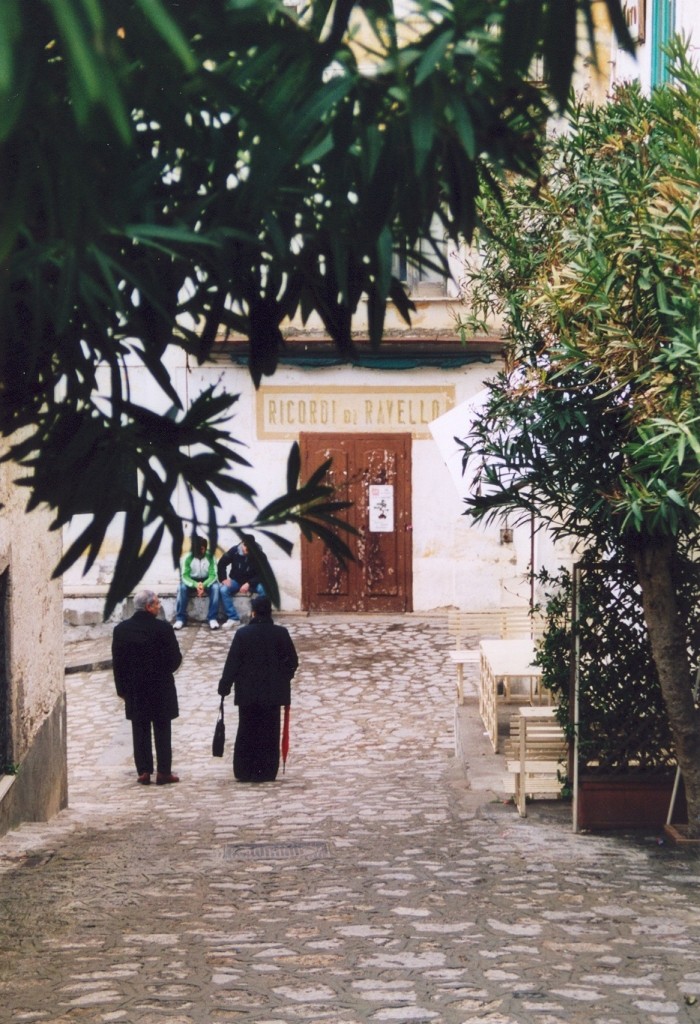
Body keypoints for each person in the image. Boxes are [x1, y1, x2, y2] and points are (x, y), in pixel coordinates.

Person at [217, 594, 299, 782]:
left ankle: (245, 770)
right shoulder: (281, 633)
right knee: (270, 732)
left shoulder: (243, 634)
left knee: (247, 730)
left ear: (253, 612)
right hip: (273, 693)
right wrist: (284, 678)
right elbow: (292, 662)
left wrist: (225, 686)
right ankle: (268, 770)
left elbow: (233, 663)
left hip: (248, 694)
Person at [112, 590, 182, 786]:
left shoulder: (122, 630)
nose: (159, 607)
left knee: (139, 728)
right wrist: (163, 671)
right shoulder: (163, 629)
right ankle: (163, 771)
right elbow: (175, 659)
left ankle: (144, 771)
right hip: (160, 686)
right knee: (162, 728)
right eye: (157, 604)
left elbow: (118, 664)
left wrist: (122, 689)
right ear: (149, 606)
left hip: (135, 688)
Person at [217, 540, 266, 628]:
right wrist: (223, 579)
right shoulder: (234, 551)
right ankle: (233, 618)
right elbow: (221, 563)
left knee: (263, 590)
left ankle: (261, 618)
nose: (246, 553)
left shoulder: (260, 554)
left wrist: (249, 583)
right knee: (223, 590)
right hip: (237, 581)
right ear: (242, 544)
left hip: (253, 582)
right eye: (245, 550)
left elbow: (263, 573)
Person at [175, 535, 220, 630]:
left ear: (205, 548)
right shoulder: (187, 557)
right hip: (191, 580)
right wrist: (196, 585)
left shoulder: (211, 557)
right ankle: (180, 618)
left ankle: (212, 618)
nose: (199, 551)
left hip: (207, 580)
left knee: (216, 588)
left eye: (202, 549)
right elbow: (184, 576)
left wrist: (203, 585)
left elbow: (213, 575)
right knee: (181, 588)